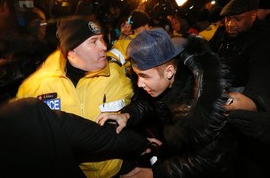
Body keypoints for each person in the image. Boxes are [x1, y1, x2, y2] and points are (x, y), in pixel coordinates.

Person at [97, 28, 236, 178]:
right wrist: (127, 115)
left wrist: (156, 173)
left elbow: (210, 161)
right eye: (137, 75)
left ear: (169, 71)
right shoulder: (164, 85)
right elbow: (149, 104)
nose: (139, 84)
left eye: (145, 76)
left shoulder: (197, 102)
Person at [12, 16, 136, 178]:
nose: (104, 46)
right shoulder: (35, 87)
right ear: (71, 52)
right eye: (93, 41)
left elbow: (138, 106)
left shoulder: (116, 74)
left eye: (102, 39)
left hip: (117, 170)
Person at [0, 97, 161, 176]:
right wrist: (142, 144)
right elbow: (99, 138)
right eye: (93, 41)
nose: (103, 46)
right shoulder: (26, 113)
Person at [208, 0, 270, 178]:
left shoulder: (263, 40)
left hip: (243, 103)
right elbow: (207, 57)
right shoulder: (221, 34)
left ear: (252, 16)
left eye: (237, 19)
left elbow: (259, 83)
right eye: (227, 18)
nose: (230, 24)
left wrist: (250, 100)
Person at [107, 9, 151, 74]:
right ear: (137, 28)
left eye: (148, 25)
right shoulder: (130, 43)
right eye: (144, 25)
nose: (148, 29)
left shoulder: (141, 41)